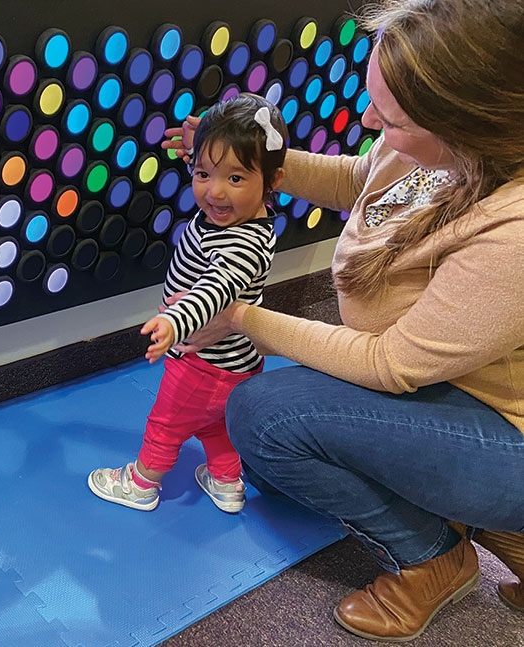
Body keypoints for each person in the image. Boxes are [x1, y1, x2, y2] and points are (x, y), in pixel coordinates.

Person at [163, 0, 524, 641]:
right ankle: (478, 514)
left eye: (389, 118)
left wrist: (241, 315)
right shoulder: (428, 153)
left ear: (468, 123)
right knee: (270, 466)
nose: (367, 122)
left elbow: (390, 362)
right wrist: (251, 159)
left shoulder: (513, 233)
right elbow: (364, 180)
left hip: (502, 435)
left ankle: (435, 557)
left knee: (261, 417)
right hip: (441, 387)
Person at [88, 94, 288, 514]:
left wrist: (176, 324)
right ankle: (227, 481)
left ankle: (143, 483)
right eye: (202, 173)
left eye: (235, 179)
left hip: (202, 359)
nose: (214, 192)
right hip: (237, 363)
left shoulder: (242, 243)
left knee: (167, 422)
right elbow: (218, 177)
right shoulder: (245, 217)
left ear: (273, 182)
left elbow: (214, 290)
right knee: (217, 423)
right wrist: (204, 151)